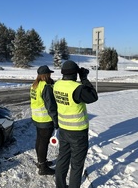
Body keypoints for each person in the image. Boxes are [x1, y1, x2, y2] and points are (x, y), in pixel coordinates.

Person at [54, 60, 98, 188]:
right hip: (78, 131)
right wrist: (84, 78)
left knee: (62, 160)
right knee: (77, 165)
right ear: (75, 73)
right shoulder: (76, 88)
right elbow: (93, 96)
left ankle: (60, 186)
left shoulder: (57, 85)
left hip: (63, 129)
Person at [30, 65, 58, 175]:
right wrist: (56, 121)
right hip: (45, 119)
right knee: (44, 143)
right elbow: (50, 106)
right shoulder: (45, 86)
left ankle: (41, 161)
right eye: (49, 74)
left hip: (37, 118)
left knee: (39, 140)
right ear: (46, 75)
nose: (50, 75)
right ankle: (43, 167)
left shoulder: (34, 85)